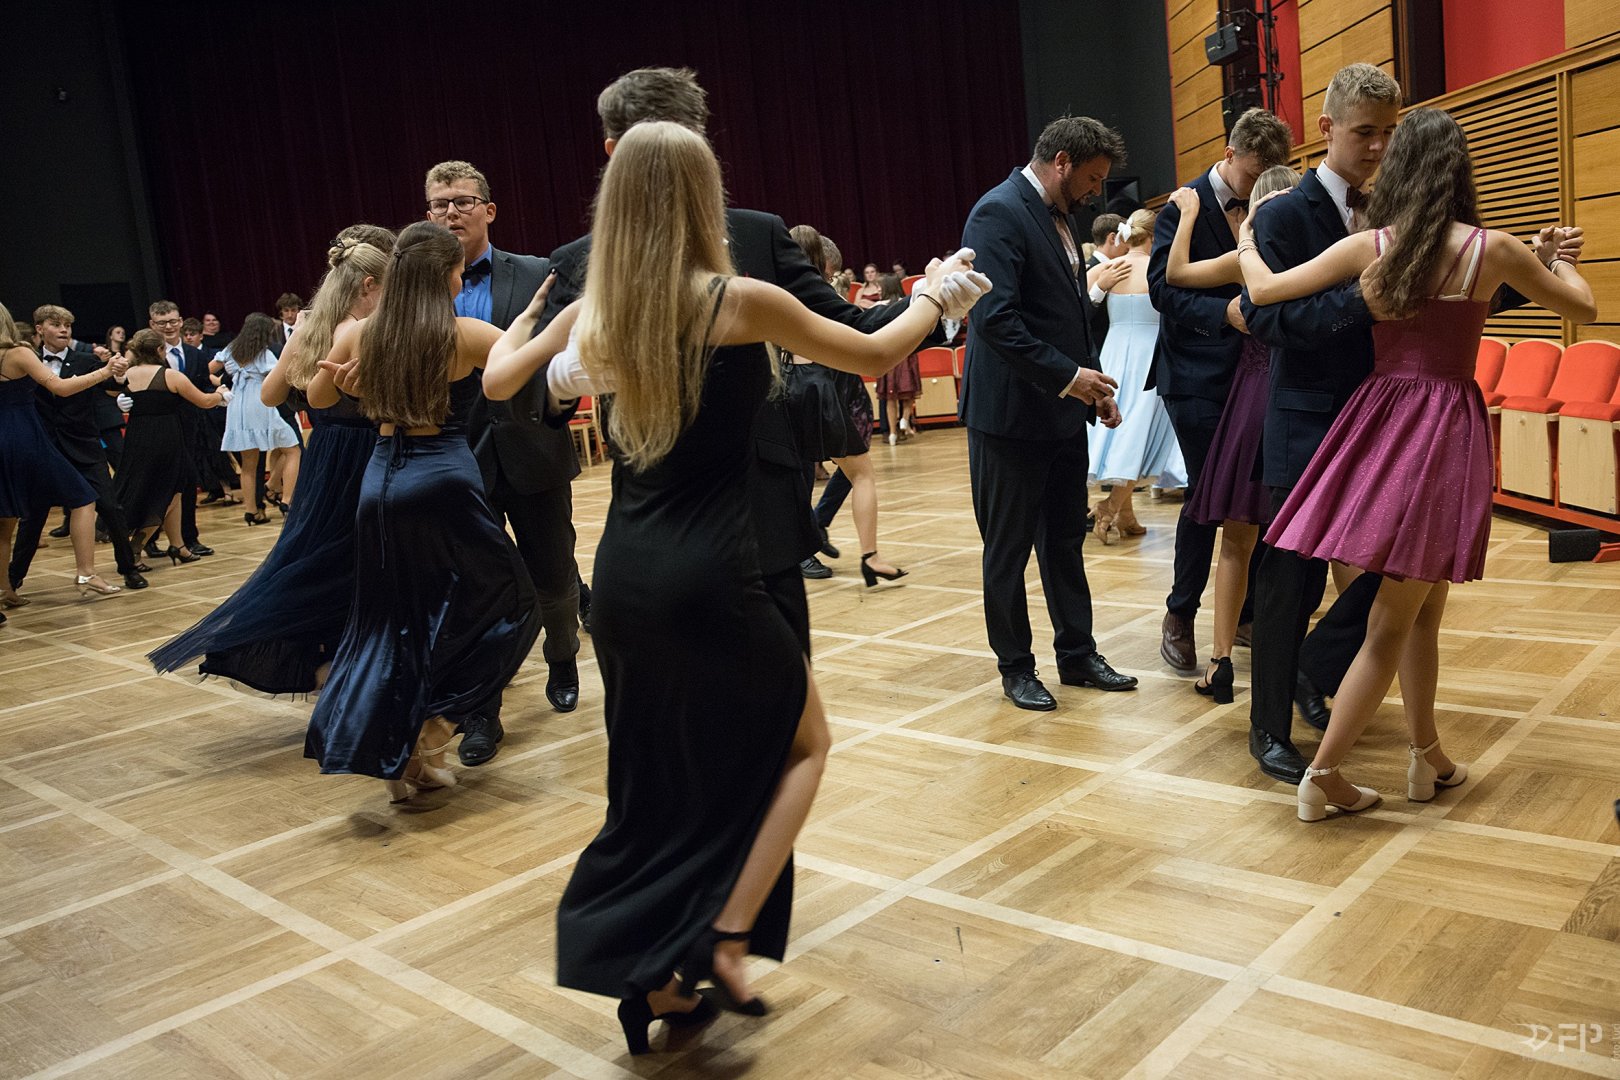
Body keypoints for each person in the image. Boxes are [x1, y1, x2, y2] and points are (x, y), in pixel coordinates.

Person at [480, 119, 983, 1056]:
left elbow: (502, 381)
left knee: (655, 776)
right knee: (804, 746)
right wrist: (935, 296)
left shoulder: (595, 308)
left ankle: (656, 976)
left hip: (622, 578)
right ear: (698, 199)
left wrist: (532, 329)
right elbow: (875, 354)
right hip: (710, 571)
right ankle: (725, 931)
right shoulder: (733, 299)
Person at [523, 67, 975, 657]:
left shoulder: (754, 236)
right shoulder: (586, 263)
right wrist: (931, 297)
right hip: (660, 516)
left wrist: (934, 306)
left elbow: (855, 327)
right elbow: (535, 393)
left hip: (741, 515)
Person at [1236, 106, 1596, 820]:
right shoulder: (1492, 250)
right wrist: (1563, 260)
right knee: (1392, 621)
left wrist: (1248, 243)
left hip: (1379, 422)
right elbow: (1581, 308)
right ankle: (1324, 775)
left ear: (1399, 170)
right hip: (1441, 430)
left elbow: (1266, 292)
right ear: (1460, 173)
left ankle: (1425, 753)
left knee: (1424, 610)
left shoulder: (1373, 246)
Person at [304, 220, 540, 802]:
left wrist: (354, 384)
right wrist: (536, 319)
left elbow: (316, 396)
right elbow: (520, 373)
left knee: (391, 621)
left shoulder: (363, 333)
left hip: (379, 482)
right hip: (442, 478)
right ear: (448, 275)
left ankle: (394, 755)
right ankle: (433, 731)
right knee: (514, 603)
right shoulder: (464, 332)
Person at [153, 227, 396, 693]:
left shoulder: (310, 330)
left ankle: (342, 667)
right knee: (356, 563)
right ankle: (359, 670)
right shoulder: (361, 331)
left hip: (324, 454)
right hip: (363, 454)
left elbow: (270, 395)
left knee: (318, 556)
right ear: (368, 285)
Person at [961, 115, 1137, 711]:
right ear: (1061, 162)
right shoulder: (998, 212)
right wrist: (1069, 378)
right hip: (1009, 418)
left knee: (1064, 541)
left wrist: (1094, 385)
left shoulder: (1062, 215)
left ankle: (1078, 655)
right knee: (1008, 550)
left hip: (1060, 413)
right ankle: (1016, 667)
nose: (1096, 192)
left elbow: (1070, 316)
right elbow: (995, 319)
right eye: (1092, 178)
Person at [423, 158, 574, 766]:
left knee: (554, 575)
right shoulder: (416, 288)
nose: (450, 212)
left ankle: (562, 659)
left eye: (462, 201)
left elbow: (567, 352)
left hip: (535, 448)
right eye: (439, 204)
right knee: (473, 594)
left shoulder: (538, 272)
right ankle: (482, 711)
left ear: (488, 209)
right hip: (454, 459)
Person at [1145, 107, 1293, 676]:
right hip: (1195, 377)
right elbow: (1164, 291)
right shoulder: (1181, 206)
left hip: (1258, 377)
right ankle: (1180, 613)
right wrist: (1224, 315)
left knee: (1254, 496)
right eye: (1252, 174)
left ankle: (1246, 613)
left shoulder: (1275, 201)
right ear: (1230, 155)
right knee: (1208, 493)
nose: (1257, 189)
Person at [779, 229, 909, 586]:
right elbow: (861, 331)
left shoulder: (775, 290)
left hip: (786, 384)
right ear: (821, 262)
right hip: (819, 384)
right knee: (861, 474)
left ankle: (805, 542)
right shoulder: (819, 293)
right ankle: (870, 557)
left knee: (797, 476)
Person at [8, 304, 147, 595]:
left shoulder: (85, 360)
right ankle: (13, 580)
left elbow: (111, 387)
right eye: (56, 324)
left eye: (67, 325)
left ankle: (128, 568)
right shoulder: (25, 360)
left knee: (110, 508)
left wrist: (118, 374)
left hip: (84, 446)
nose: (63, 330)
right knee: (33, 518)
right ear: (39, 329)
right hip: (45, 449)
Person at [1087, 208, 1186, 543]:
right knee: (1138, 434)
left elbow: (1081, 307)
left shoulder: (1105, 269)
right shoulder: (1161, 269)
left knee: (1125, 434)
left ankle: (1126, 514)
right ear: (1155, 236)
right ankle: (1110, 507)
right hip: (1149, 358)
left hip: (1113, 355)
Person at [115, 329, 225, 563]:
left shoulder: (128, 375)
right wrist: (221, 395)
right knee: (166, 496)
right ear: (159, 350)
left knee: (174, 491)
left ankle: (178, 545)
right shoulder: (170, 376)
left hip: (137, 440)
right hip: (167, 440)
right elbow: (204, 401)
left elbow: (114, 395)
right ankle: (135, 548)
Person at [145, 300, 215, 558]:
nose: (169, 327)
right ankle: (149, 539)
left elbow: (204, 386)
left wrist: (217, 394)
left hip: (189, 427)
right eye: (162, 322)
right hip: (157, 428)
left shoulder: (196, 354)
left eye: (173, 321)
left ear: (181, 321)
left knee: (188, 482)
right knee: (157, 485)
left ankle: (189, 538)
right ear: (152, 324)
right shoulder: (144, 357)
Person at [219, 313, 301, 524]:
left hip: (237, 405)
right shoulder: (265, 354)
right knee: (293, 449)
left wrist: (221, 385)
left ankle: (251, 511)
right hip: (260, 403)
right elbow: (279, 375)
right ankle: (287, 499)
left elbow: (209, 369)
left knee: (248, 463)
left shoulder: (231, 350)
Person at [873, 272, 922, 443]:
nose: (878, 290)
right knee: (909, 393)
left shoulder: (878, 306)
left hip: (888, 354)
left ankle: (892, 434)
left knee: (890, 398)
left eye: (880, 287)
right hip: (906, 353)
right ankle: (904, 419)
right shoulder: (908, 303)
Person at [1085, 213, 1129, 350]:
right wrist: (1099, 287)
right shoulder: (1087, 270)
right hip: (1099, 347)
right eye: (1127, 239)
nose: (1129, 246)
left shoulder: (1124, 266)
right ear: (1113, 238)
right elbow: (1081, 316)